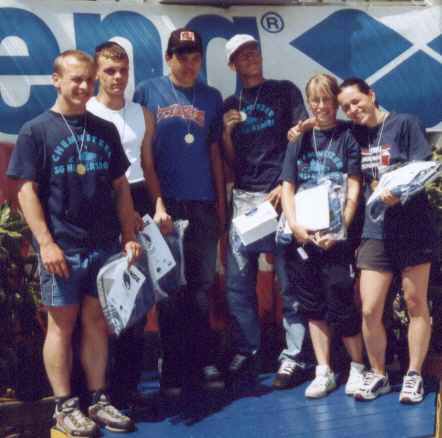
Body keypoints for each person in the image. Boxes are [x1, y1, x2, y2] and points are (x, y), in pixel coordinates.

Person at [6, 50, 141, 435]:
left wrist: (128, 236)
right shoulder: (35, 131)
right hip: (62, 250)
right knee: (60, 328)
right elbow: (25, 192)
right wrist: (45, 244)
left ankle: (98, 400)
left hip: (103, 247)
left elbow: (120, 187)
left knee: (96, 323)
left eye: (88, 79)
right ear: (56, 80)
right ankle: (64, 408)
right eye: (75, 79)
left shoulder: (104, 129)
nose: (83, 86)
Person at [133, 28, 226, 394]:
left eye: (195, 57)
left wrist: (221, 205)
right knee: (170, 290)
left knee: (200, 287)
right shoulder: (147, 91)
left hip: (201, 203)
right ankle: (171, 367)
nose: (189, 64)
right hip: (164, 205)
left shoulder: (211, 97)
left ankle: (203, 361)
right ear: (168, 58)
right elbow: (140, 151)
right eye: (181, 57)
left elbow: (215, 153)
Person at [337, 77, 439, 403]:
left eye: (356, 101)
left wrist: (400, 191)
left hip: (413, 227)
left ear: (371, 95)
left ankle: (413, 375)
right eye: (346, 107)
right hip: (375, 231)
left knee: (414, 302)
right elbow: (324, 126)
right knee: (369, 308)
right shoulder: (354, 133)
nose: (353, 109)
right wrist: (305, 125)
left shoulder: (404, 123)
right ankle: (379, 374)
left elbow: (425, 168)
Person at [86, 41, 173, 409]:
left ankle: (126, 387)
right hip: (101, 204)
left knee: (136, 301)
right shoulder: (86, 112)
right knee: (94, 303)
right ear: (96, 74)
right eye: (110, 70)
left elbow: (147, 167)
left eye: (123, 70)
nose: (118, 77)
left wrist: (158, 205)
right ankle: (90, 389)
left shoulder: (143, 114)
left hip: (138, 199)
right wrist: (122, 214)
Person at [222, 34, 308, 389]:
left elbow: (301, 138)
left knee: (289, 284)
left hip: (281, 197)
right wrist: (226, 133)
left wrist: (285, 183)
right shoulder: (230, 103)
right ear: (232, 64)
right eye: (242, 54)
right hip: (246, 199)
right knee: (237, 283)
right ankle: (248, 351)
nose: (251, 57)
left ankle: (293, 357)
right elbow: (231, 162)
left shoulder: (284, 91)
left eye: (254, 51)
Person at [280, 74, 366, 399]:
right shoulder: (299, 138)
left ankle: (357, 368)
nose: (321, 106)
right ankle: (323, 370)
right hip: (303, 237)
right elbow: (288, 186)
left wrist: (341, 228)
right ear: (308, 102)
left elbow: (354, 186)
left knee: (341, 301)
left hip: (336, 238)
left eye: (327, 99)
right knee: (312, 305)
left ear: (336, 102)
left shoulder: (348, 135)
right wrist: (294, 226)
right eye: (315, 100)